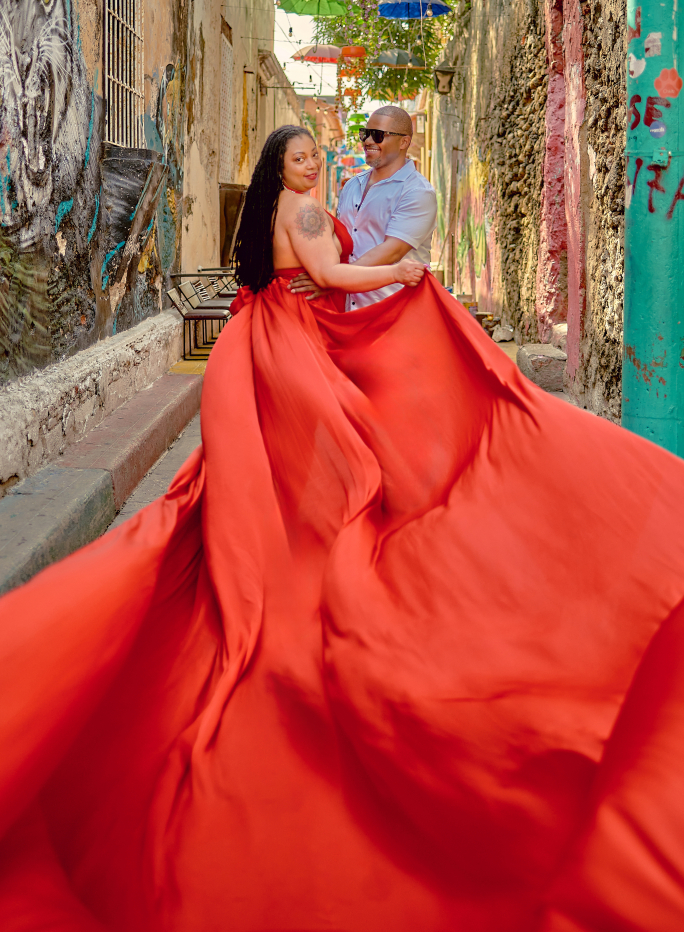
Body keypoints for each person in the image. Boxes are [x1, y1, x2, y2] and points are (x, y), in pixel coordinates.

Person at [0, 125, 684, 932]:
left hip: (260, 341)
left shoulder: (283, 207)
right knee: (333, 474)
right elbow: (327, 276)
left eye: (315, 155)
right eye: (301, 156)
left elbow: (302, 273)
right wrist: (397, 271)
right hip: (293, 343)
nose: (316, 160)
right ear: (278, 168)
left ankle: (278, 554)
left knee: (252, 484)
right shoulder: (311, 212)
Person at [289, 105, 437, 309]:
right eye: (365, 134)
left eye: (377, 135)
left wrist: (333, 280)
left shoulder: (417, 192)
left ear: (404, 142)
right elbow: (340, 240)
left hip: (393, 309)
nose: (367, 141)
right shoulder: (352, 185)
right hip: (347, 310)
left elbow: (391, 252)